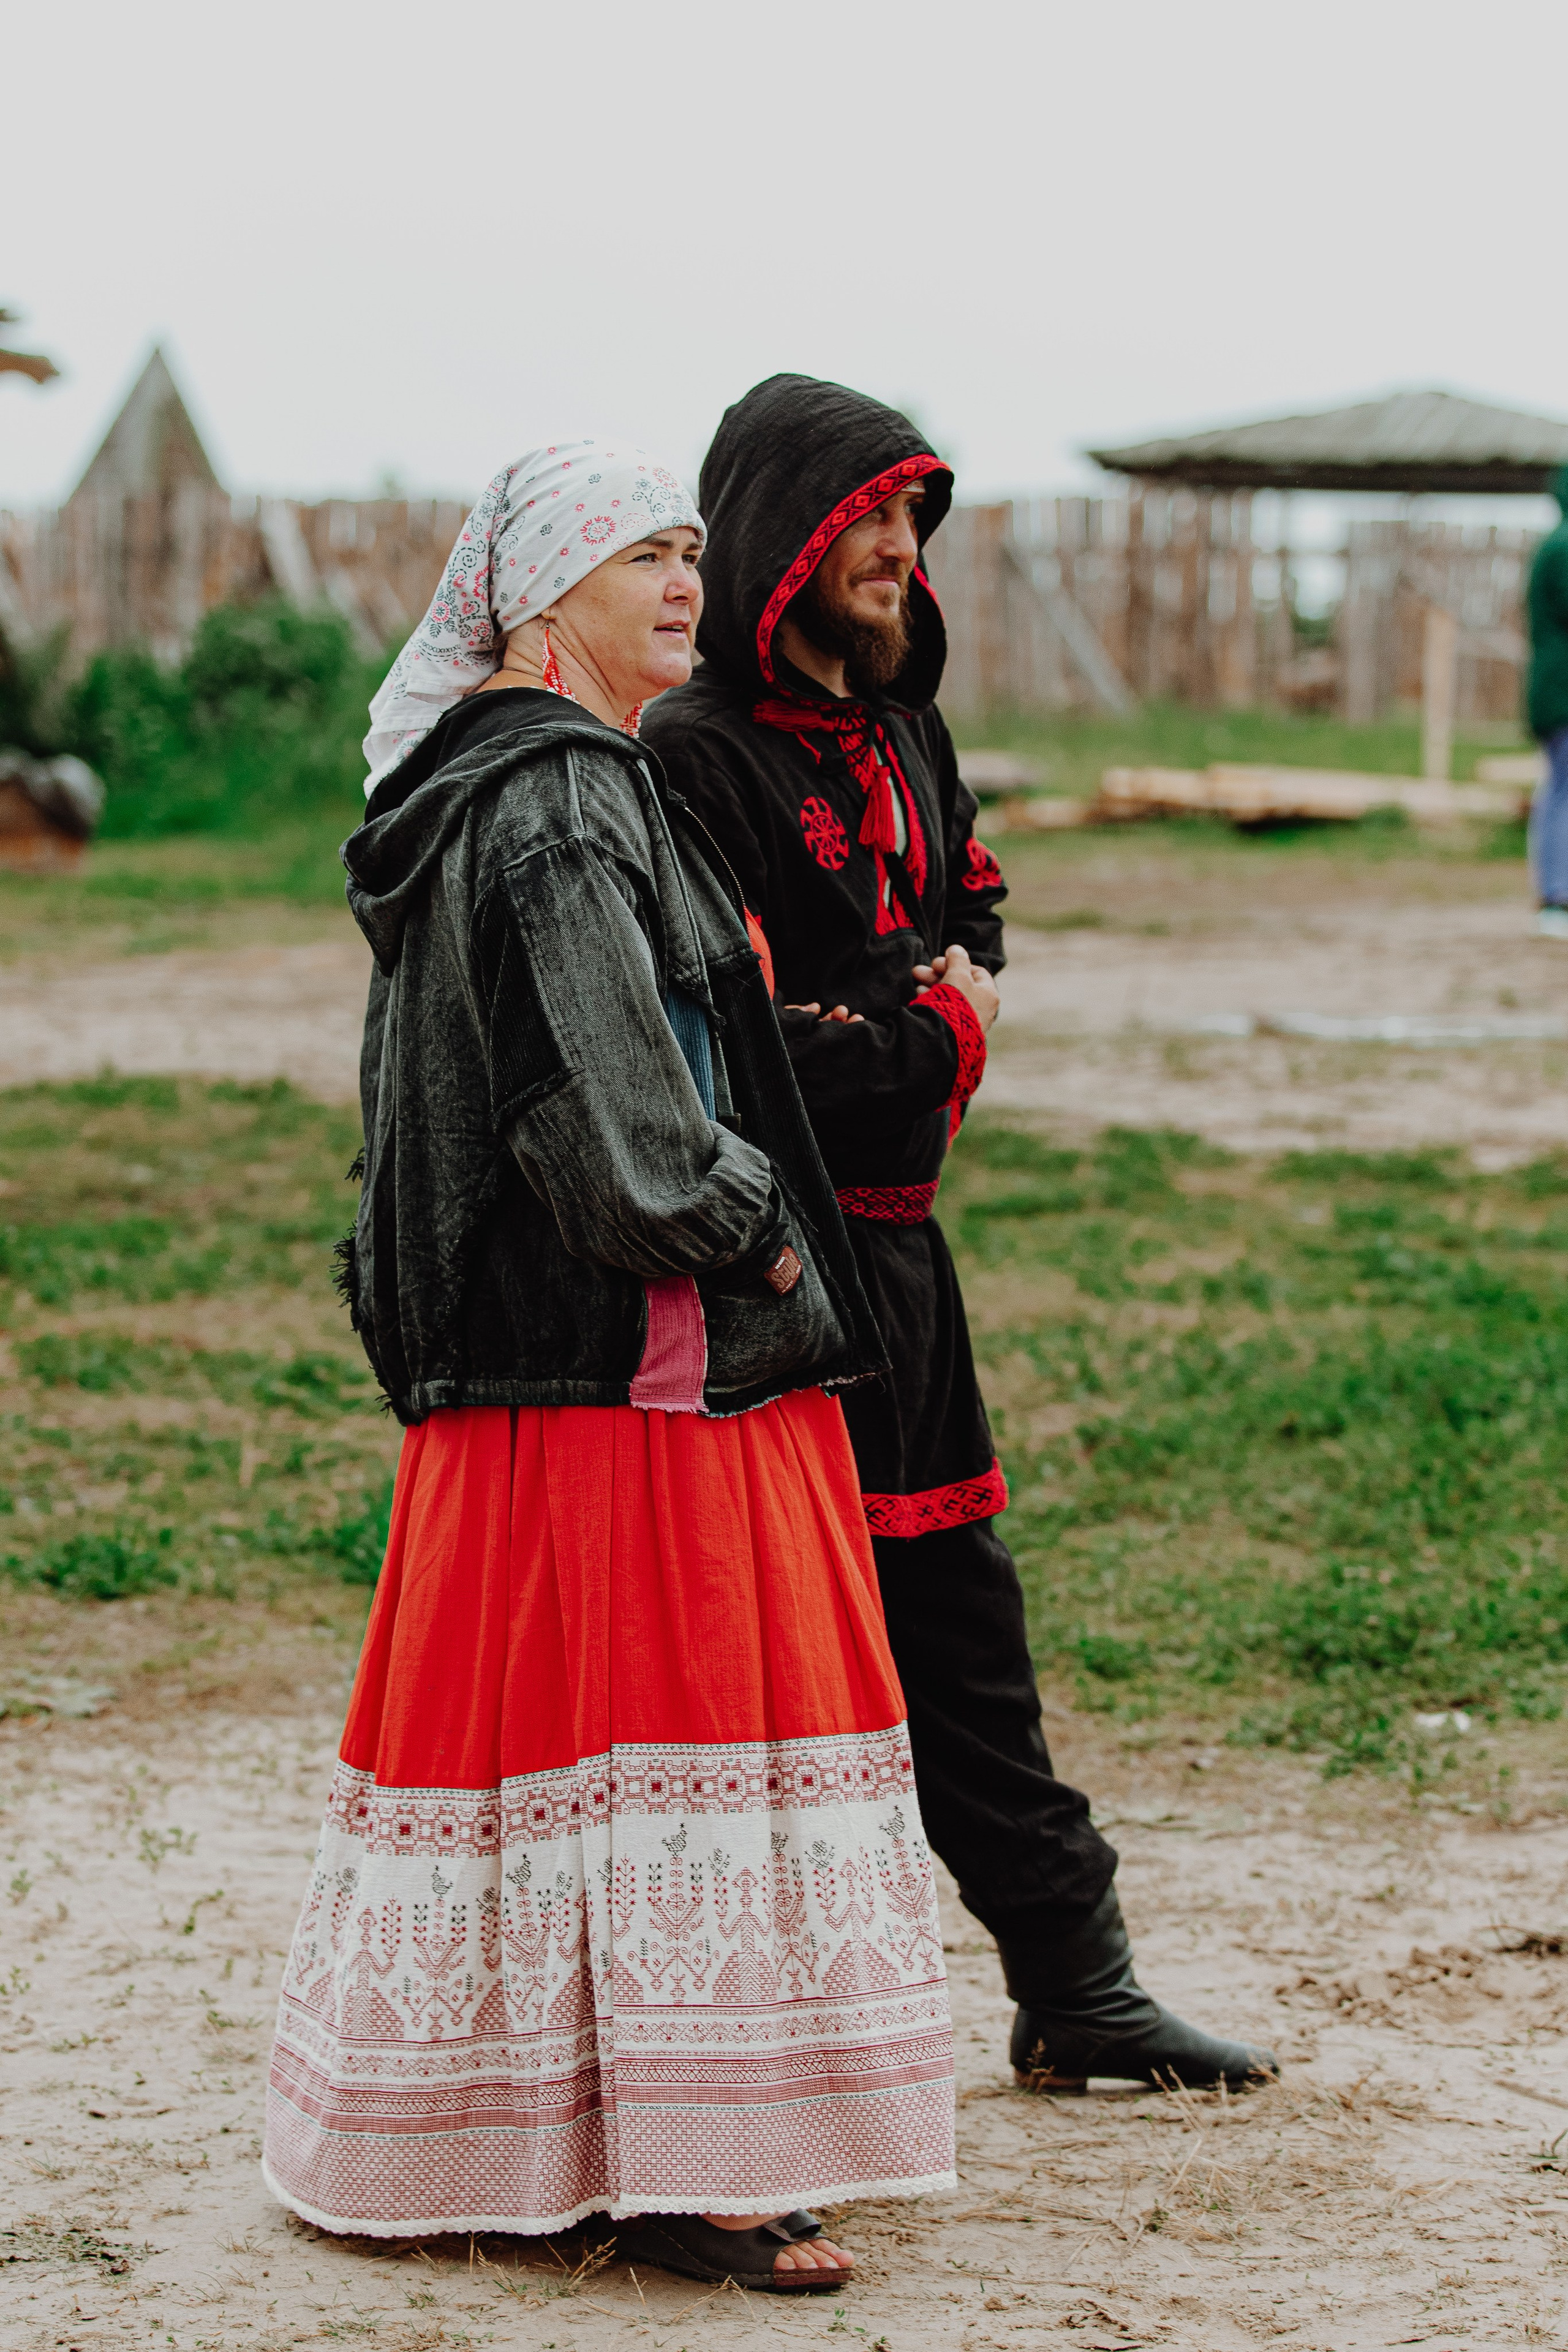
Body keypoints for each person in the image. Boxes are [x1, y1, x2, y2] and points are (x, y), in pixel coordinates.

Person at [261, 440, 956, 2291]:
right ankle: (694, 2165)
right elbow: (619, 1123)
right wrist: (760, 1233)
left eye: (689, 552)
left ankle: (553, 2137)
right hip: (638, 1365)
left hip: (544, 1367)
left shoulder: (499, 778)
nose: (683, 584)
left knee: (569, 1750)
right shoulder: (563, 796)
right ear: (541, 591)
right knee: (678, 1739)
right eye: (641, 553)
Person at [643, 375, 1276, 2095]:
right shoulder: (692, 759)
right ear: (779, 533)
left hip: (906, 1272)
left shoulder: (908, 735)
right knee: (764, 1659)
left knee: (964, 1635)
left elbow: (969, 918)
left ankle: (1079, 1985)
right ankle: (729, 2041)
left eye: (913, 516)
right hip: (763, 1287)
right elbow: (748, 1068)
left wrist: (913, 1008)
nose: (897, 545)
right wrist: (929, 1029)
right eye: (866, 513)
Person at [1528, 466, 1568, 938]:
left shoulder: (1554, 544)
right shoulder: (1564, 548)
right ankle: (1556, 897)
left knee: (1558, 788)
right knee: (1563, 791)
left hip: (1555, 690)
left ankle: (1555, 893)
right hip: (1562, 693)